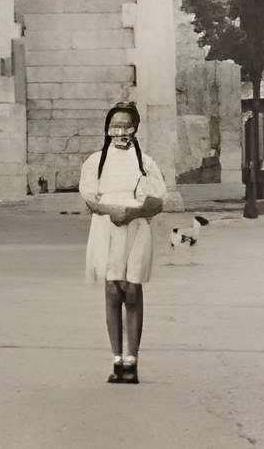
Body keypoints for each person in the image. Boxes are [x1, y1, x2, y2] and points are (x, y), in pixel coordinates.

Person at [78, 100, 168, 384]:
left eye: (126, 125)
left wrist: (134, 212)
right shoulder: (95, 161)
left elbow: (158, 200)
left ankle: (132, 361)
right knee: (112, 289)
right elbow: (90, 196)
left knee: (132, 289)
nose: (120, 130)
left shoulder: (146, 162)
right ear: (107, 129)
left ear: (136, 128)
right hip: (106, 228)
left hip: (135, 228)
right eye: (115, 125)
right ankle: (116, 359)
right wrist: (110, 211)